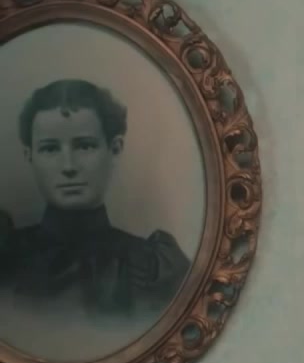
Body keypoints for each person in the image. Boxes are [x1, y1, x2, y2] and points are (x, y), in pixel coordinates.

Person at [0, 79, 191, 316]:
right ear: (29, 155)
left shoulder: (153, 267)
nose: (68, 166)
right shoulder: (7, 255)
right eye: (50, 149)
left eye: (85, 146)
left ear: (115, 149)